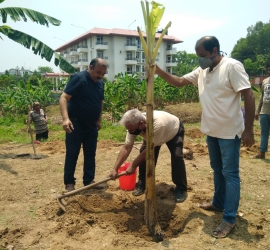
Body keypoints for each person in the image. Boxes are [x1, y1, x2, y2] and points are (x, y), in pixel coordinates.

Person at [153, 36, 255, 238]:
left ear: (215, 50)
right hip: (212, 131)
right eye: (198, 56)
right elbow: (180, 82)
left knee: (230, 174)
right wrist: (157, 70)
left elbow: (249, 95)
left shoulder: (232, 67)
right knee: (217, 170)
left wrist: (249, 129)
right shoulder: (202, 70)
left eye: (203, 55)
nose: (200, 59)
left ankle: (229, 218)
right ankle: (218, 203)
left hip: (229, 132)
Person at [108, 109, 188, 203]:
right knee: (142, 153)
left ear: (141, 123)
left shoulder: (158, 124)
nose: (130, 132)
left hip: (173, 131)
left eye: (131, 130)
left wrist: (133, 165)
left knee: (177, 156)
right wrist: (115, 168)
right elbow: (127, 147)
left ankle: (181, 188)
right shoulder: (133, 126)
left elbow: (150, 150)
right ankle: (143, 182)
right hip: (153, 137)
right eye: (128, 129)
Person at [59, 58, 108, 192]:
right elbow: (64, 98)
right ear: (90, 67)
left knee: (90, 153)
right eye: (98, 72)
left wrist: (99, 119)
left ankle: (89, 181)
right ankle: (69, 183)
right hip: (75, 124)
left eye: (103, 74)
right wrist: (65, 119)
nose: (100, 76)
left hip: (91, 125)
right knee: (72, 153)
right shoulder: (78, 78)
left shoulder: (100, 83)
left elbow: (100, 102)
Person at [253, 70, 270, 159]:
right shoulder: (265, 81)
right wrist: (257, 111)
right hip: (264, 112)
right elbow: (262, 97)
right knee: (264, 133)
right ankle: (262, 153)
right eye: (269, 69)